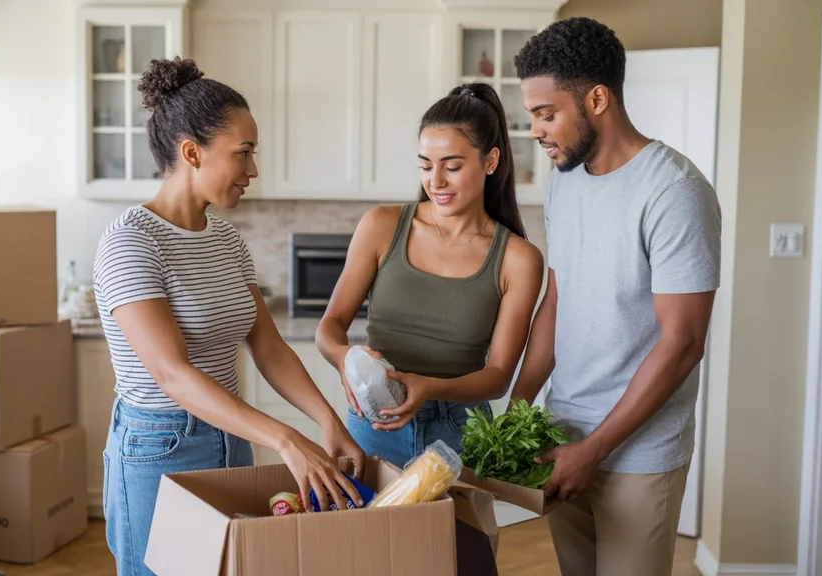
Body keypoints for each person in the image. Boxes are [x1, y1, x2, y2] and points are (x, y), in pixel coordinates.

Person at [93, 57, 365, 575]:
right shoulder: (131, 242)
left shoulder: (226, 240)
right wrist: (286, 439)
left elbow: (268, 347)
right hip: (159, 446)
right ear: (192, 152)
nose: (252, 170)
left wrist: (329, 422)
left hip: (229, 435)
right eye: (243, 154)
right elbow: (172, 373)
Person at [508, 17, 722, 576]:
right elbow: (557, 301)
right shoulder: (565, 180)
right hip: (562, 434)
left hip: (638, 453)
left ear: (597, 98)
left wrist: (595, 449)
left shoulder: (674, 192)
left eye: (546, 112)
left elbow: (683, 342)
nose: (535, 130)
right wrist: (519, 403)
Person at [315, 82, 545, 469]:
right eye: (425, 165)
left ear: (490, 161)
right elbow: (330, 326)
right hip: (375, 423)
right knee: (363, 531)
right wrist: (345, 358)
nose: (435, 181)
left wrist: (432, 388)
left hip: (460, 432)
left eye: (452, 167)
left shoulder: (518, 259)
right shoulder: (381, 226)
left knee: (457, 533)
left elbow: (498, 376)